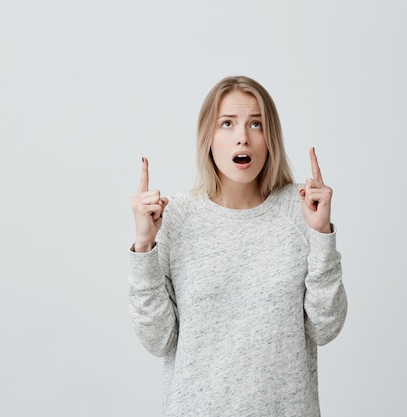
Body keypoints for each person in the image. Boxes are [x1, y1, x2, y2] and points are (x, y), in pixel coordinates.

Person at [128, 75, 347, 416]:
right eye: (227, 124)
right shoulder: (175, 217)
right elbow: (158, 341)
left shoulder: (302, 208)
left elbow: (325, 328)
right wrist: (144, 247)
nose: (242, 137)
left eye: (256, 124)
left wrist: (321, 237)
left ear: (270, 138)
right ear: (208, 138)